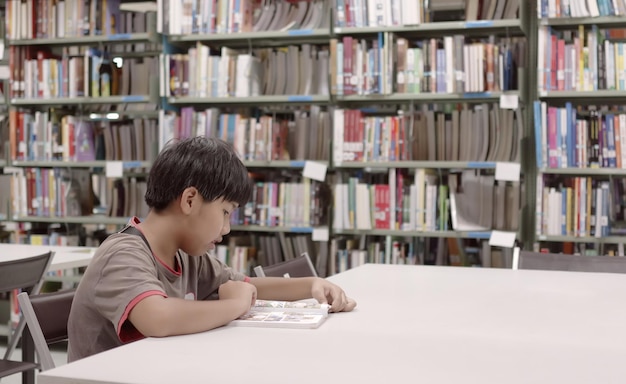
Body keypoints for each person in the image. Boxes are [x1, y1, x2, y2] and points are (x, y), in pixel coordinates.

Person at [67, 136, 356, 362]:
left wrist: (312, 285)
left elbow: (246, 285)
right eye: (226, 212)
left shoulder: (186, 255)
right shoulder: (123, 253)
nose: (227, 229)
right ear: (190, 200)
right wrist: (235, 306)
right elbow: (158, 317)